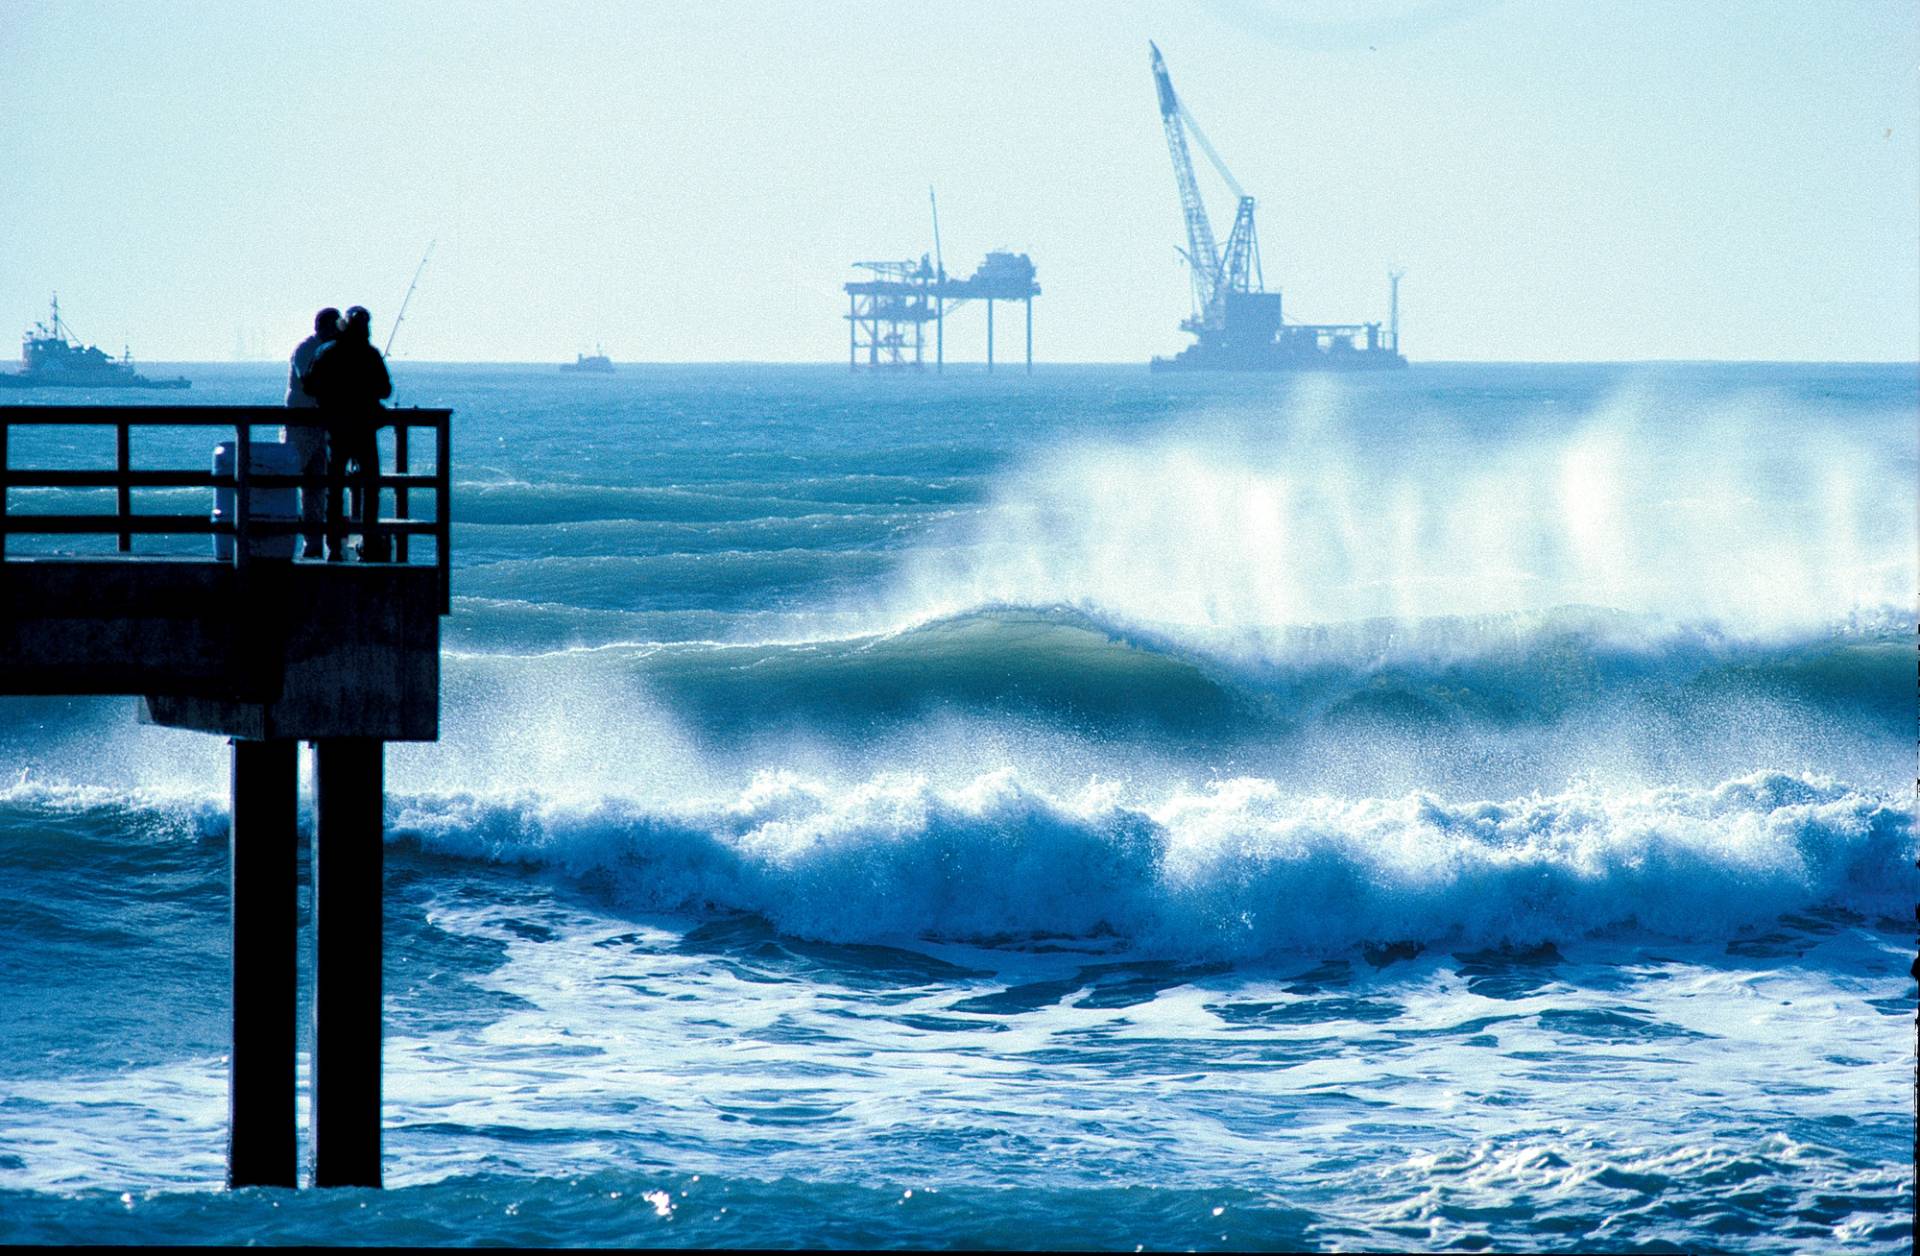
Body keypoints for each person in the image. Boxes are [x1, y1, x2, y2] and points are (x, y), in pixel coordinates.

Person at [303, 305, 392, 561]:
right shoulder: (371, 354)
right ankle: (370, 539)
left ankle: (333, 546)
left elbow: (309, 385)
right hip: (364, 430)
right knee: (371, 487)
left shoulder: (327, 352)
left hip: (337, 428)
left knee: (335, 487)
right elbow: (385, 390)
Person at [284, 307, 339, 558]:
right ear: (324, 327)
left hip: (319, 426)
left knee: (316, 487)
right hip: (301, 424)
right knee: (292, 481)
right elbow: (309, 383)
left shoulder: (328, 351)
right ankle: (291, 537)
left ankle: (313, 543)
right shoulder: (306, 349)